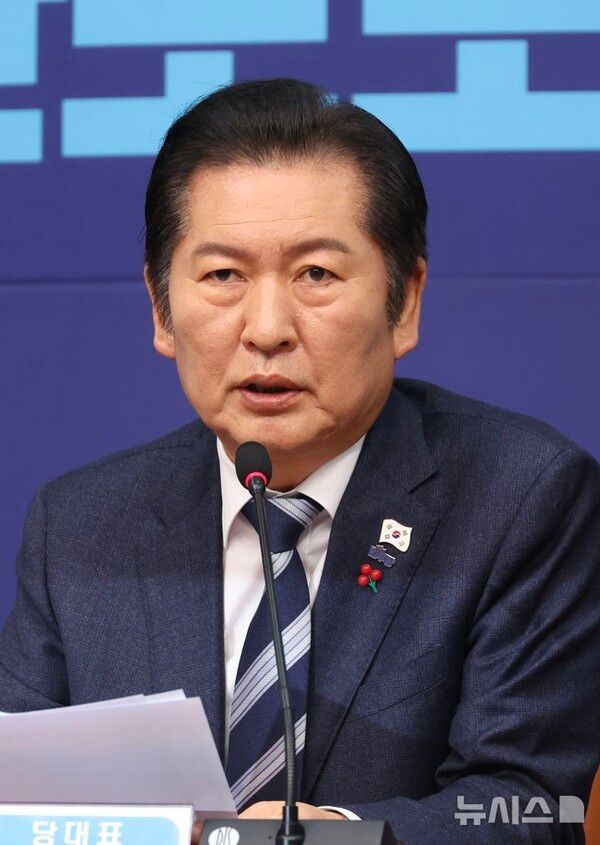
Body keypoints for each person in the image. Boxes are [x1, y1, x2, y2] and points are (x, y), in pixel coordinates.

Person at [1, 78, 599, 844]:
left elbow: (537, 807)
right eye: (223, 275)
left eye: (316, 274)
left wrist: (341, 837)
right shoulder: (80, 526)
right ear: (160, 308)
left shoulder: (522, 498)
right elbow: (17, 803)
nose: (267, 328)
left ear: (405, 301)